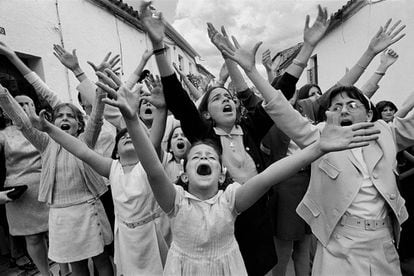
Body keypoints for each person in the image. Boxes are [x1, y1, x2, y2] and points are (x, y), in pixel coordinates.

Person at [97, 55, 379, 275]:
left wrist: (317, 148)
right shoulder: (179, 195)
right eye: (198, 156)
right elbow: (155, 166)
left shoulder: (233, 190)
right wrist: (134, 118)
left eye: (210, 157)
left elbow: (269, 174)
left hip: (247, 239)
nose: (205, 157)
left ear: (222, 176)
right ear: (183, 173)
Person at [220, 21, 414, 273]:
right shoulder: (320, 137)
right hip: (338, 245)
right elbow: (280, 107)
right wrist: (252, 71)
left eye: (352, 105)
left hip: (383, 244)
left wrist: (374, 58)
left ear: (369, 115)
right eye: (336, 106)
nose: (344, 109)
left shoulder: (385, 132)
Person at [20, 70, 170, 275]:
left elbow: (151, 144)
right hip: (125, 238)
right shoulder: (112, 168)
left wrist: (159, 110)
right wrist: (49, 129)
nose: (128, 137)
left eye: (132, 137)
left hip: (151, 237)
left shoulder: (148, 167)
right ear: (115, 151)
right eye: (122, 137)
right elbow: (80, 149)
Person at [0, 82, 113, 276]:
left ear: (79, 125)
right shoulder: (44, 142)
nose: (65, 118)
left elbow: (96, 120)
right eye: (60, 116)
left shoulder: (85, 141)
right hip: (61, 214)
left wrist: (100, 91)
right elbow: (23, 124)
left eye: (70, 116)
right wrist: (2, 94)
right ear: (52, 123)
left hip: (89, 209)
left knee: (101, 259)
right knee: (76, 264)